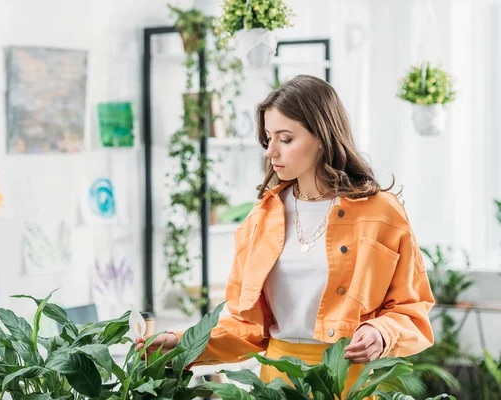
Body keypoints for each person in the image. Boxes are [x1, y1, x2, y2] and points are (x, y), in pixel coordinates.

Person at [136, 75, 435, 395]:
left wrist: (381, 332)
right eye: (268, 138)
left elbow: (412, 308)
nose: (271, 151)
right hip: (277, 381)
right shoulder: (259, 220)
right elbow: (245, 328)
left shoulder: (381, 213)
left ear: (322, 137)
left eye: (286, 138)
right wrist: (181, 345)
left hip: (348, 379)